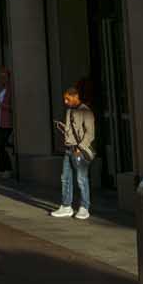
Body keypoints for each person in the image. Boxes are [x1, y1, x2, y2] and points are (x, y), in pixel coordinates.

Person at [51, 86, 96, 219]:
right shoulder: (69, 111)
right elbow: (72, 130)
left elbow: (90, 133)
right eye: (65, 99)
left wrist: (79, 148)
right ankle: (66, 206)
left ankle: (84, 207)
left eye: (67, 99)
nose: (65, 102)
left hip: (79, 150)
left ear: (76, 96)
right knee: (65, 178)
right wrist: (63, 128)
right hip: (68, 149)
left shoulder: (86, 112)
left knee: (81, 179)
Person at [0, 68, 15, 178]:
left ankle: (8, 170)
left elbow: (12, 107)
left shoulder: (10, 91)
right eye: (1, 77)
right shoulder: (2, 90)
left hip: (5, 124)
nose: (2, 79)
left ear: (9, 78)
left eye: (4, 77)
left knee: (3, 146)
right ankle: (1, 170)